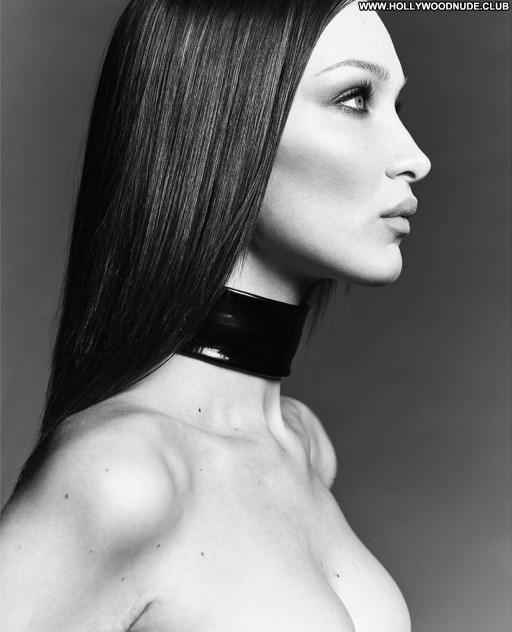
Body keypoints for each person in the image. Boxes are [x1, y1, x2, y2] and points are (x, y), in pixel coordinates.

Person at [0, 0, 431, 630]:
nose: (415, 156)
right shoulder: (123, 476)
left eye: (397, 105)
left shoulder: (303, 445)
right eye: (354, 98)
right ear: (221, 122)